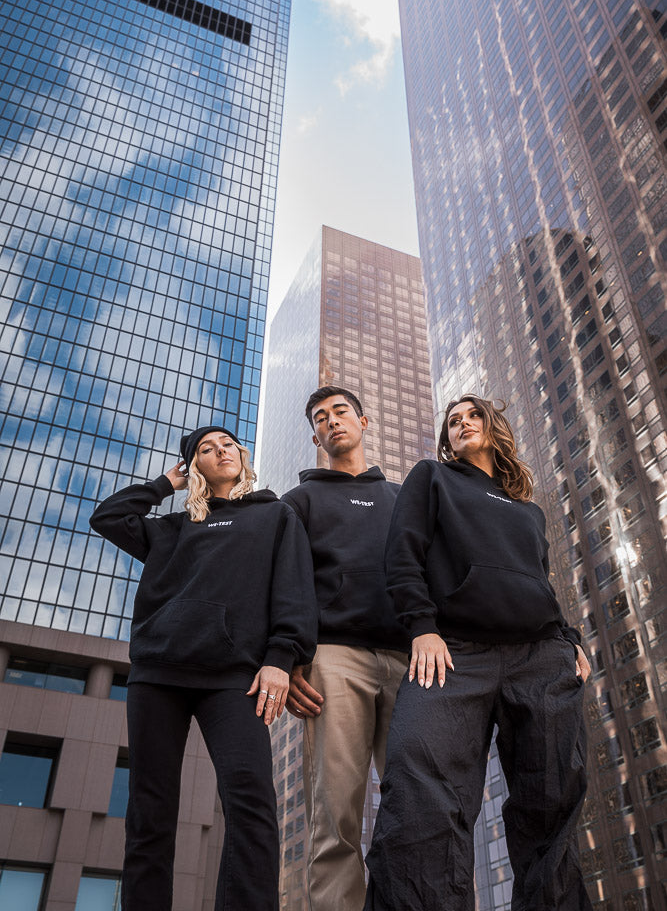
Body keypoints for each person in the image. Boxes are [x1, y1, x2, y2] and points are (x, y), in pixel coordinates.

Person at [364, 395, 593, 911]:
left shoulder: (527, 510)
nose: (463, 422)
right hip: (452, 653)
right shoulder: (432, 478)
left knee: (553, 799)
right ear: (446, 440)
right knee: (420, 791)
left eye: (473, 415)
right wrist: (421, 627)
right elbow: (402, 552)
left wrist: (569, 640)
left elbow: (541, 585)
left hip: (539, 657)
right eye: (453, 420)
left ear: (494, 427)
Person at [89, 425, 317, 911]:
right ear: (194, 466)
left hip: (233, 677)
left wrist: (280, 658)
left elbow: (294, 591)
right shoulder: (170, 528)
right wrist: (162, 486)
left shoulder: (276, 516)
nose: (221, 451)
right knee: (149, 813)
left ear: (243, 455)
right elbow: (107, 517)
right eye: (207, 450)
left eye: (229, 444)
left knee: (252, 804)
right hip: (158, 674)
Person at [282, 386, 409, 911]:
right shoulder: (299, 502)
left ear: (364, 420)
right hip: (333, 657)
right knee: (335, 814)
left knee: (421, 806)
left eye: (341, 412)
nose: (332, 421)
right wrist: (288, 659)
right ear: (315, 436)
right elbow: (284, 583)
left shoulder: (404, 498)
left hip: (410, 661)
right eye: (321, 418)